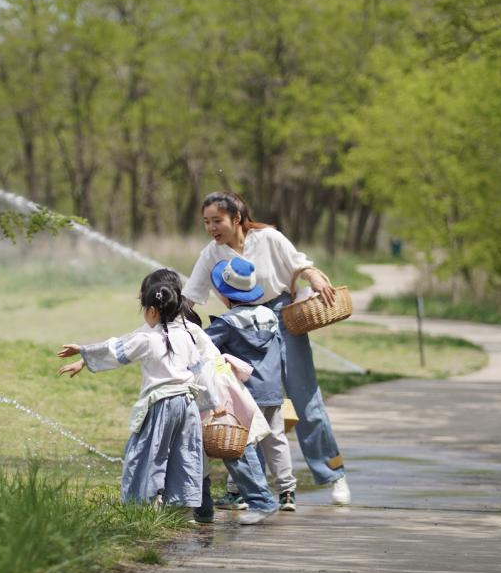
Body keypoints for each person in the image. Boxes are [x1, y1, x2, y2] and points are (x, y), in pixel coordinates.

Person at [182, 191, 351, 505]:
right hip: (245, 331)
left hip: (284, 319)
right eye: (206, 222)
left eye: (216, 220)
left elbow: (301, 265)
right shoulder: (211, 253)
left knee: (306, 400)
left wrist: (315, 279)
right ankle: (248, 489)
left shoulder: (269, 238)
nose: (211, 228)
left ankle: (333, 474)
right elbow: (190, 296)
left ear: (236, 218)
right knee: (252, 404)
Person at [56, 269, 212, 514]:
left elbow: (117, 352)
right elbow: (200, 370)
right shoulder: (186, 334)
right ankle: (180, 506)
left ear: (152, 311)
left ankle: (144, 505)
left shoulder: (148, 339)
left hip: (162, 404)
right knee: (183, 452)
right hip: (187, 404)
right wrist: (210, 404)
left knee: (147, 453)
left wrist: (84, 351)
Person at [205, 255, 298, 512]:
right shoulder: (269, 317)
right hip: (272, 390)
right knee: (276, 440)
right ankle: (287, 491)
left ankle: (239, 493)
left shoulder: (227, 323)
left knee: (242, 444)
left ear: (226, 294)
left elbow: (201, 345)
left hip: (244, 394)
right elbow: (280, 352)